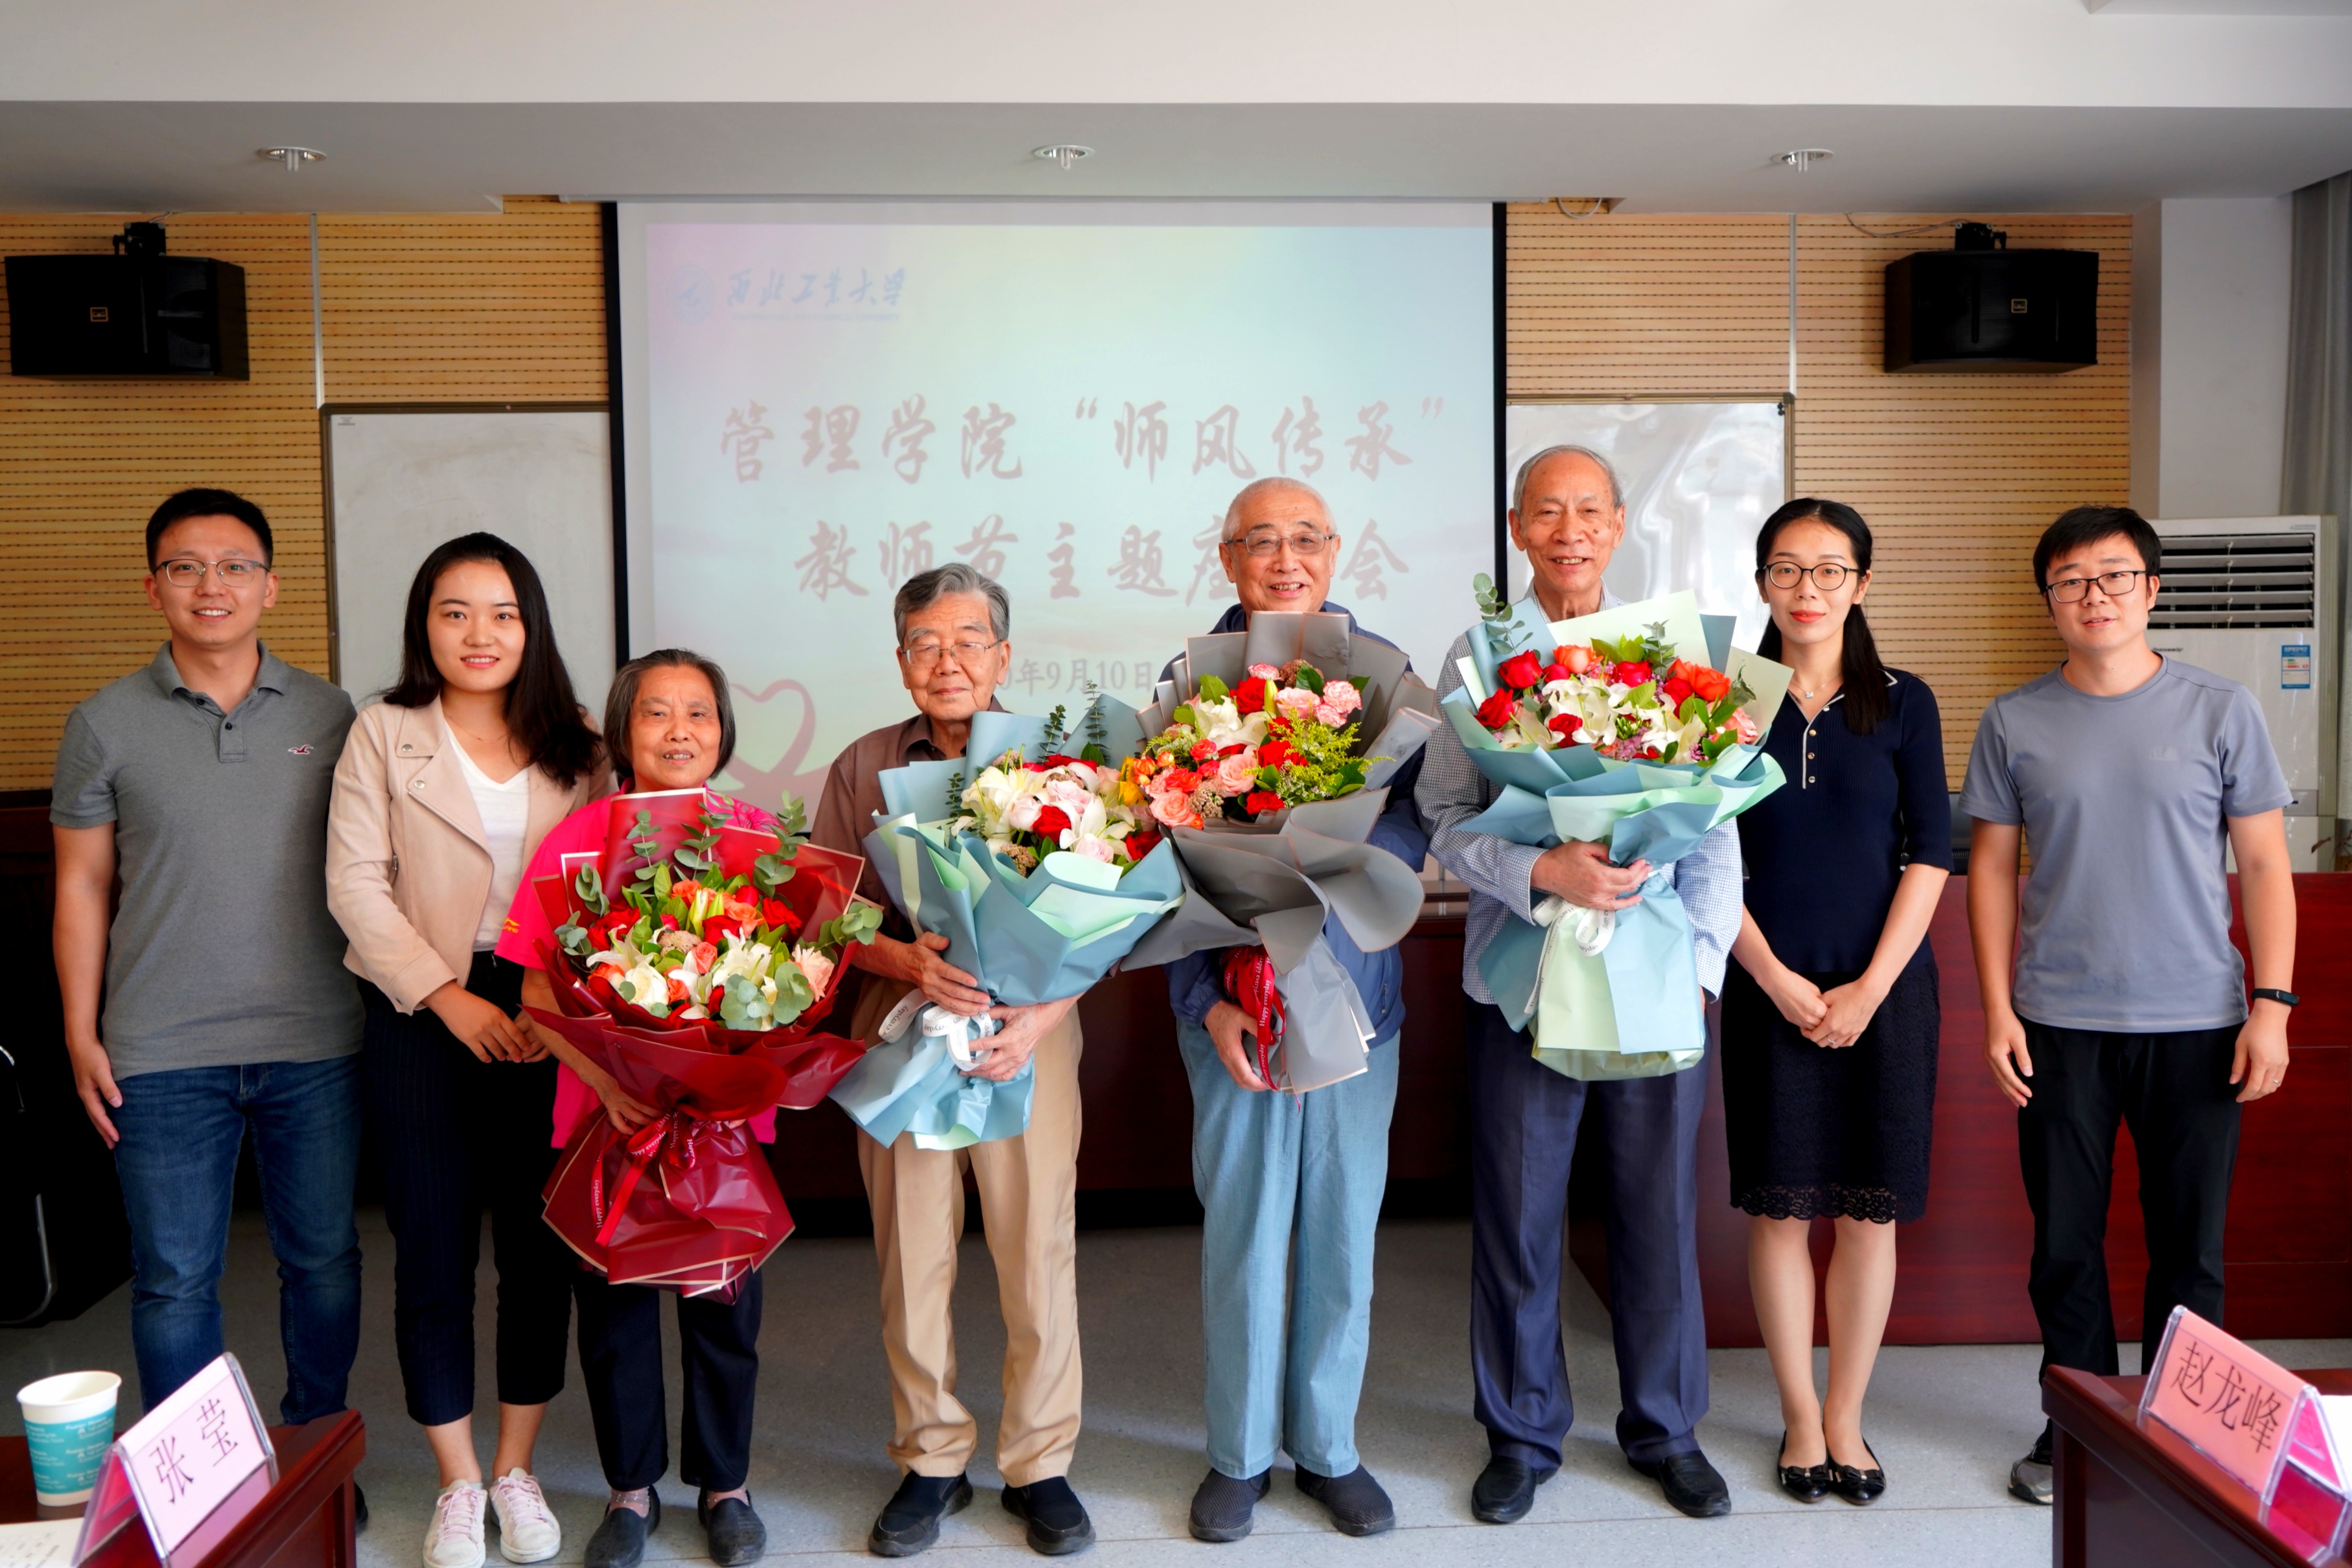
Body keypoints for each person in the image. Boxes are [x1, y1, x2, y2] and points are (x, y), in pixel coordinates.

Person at [1416, 446, 1741, 1524]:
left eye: (1588, 511)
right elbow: (1443, 820)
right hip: (1520, 980)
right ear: (1518, 528)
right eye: (1547, 513)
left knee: (1657, 1213)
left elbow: (1714, 825)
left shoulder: (1667, 656)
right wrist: (1538, 871)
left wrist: (1701, 969)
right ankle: (1520, 1434)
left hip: (1657, 979)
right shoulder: (1479, 655)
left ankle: (1666, 1428)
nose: (1569, 532)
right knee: (1519, 1217)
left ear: (1616, 524)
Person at [1963, 505, 2297, 1506]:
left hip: (2197, 1020)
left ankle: (2186, 1429)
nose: (2093, 595)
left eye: (2113, 576)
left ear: (2151, 589)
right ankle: (2075, 1425)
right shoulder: (2012, 720)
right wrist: (1995, 1008)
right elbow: (1989, 872)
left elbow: (2263, 863)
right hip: (2056, 1023)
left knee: (2187, 1244)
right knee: (2062, 1243)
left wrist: (2271, 1005)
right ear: (2049, 601)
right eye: (2070, 581)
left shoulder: (2219, 709)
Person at [52, 489, 366, 1442]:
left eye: (234, 566)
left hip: (314, 1038)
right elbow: (80, 886)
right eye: (185, 567)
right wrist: (80, 1033)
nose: (210, 585)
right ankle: (197, 1485)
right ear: (154, 589)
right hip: (159, 1049)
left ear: (271, 586)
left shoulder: (332, 712)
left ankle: (316, 1457)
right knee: (174, 1280)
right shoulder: (103, 722)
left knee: (324, 1263)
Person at [326, 535, 604, 1568]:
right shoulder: (383, 731)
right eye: (455, 612)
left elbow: (613, 881)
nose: (478, 634)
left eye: (502, 613)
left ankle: (516, 1470)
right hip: (419, 1011)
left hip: (549, 1012)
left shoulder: (578, 741)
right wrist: (447, 998)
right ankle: (456, 1478)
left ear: (531, 628)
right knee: (433, 1252)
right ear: (424, 626)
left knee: (536, 1254)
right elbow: (354, 884)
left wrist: (553, 1003)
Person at [806, 563, 1093, 1558]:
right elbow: (827, 909)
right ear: (900, 662)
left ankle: (1039, 1463)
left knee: (1036, 1246)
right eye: (925, 644)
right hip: (905, 1028)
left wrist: (1042, 1016)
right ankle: (930, 1458)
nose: (948, 661)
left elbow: (1107, 916)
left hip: (1029, 1029)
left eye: (969, 641)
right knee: (912, 1253)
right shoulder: (862, 765)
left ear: (1003, 657)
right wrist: (904, 962)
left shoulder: (1055, 760)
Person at [1159, 478, 1428, 1543]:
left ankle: (1327, 1449)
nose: (1285, 559)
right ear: (1227, 557)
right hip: (1230, 1009)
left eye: (1304, 539)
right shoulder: (1189, 684)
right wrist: (1203, 996)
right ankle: (1237, 1456)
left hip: (1354, 1002)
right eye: (1260, 541)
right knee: (1245, 1236)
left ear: (1334, 550)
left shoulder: (1386, 677)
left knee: (1342, 1235)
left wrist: (1337, 860)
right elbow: (1160, 854)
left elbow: (1418, 820)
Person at [502, 651, 776, 1568]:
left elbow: (793, 979)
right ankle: (630, 1490)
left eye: (699, 712)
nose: (679, 731)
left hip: (719, 1121)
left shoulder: (756, 837)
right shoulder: (578, 839)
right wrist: (614, 1081)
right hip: (606, 1115)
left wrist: (718, 1075)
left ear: (723, 730)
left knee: (722, 1309)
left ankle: (727, 1488)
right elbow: (535, 991)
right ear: (623, 731)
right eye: (656, 713)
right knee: (615, 1313)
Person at [1721, 500, 1951, 1506]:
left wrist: (1869, 988)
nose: (1805, 589)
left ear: (1860, 583)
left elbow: (1930, 851)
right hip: (1763, 983)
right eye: (1785, 568)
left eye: (1828, 570)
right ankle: (1798, 1417)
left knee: (1865, 1214)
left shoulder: (1902, 701)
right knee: (1779, 1213)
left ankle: (1847, 1416)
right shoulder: (1721, 699)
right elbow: (1697, 852)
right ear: (1761, 583)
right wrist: (1772, 977)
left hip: (1883, 995)